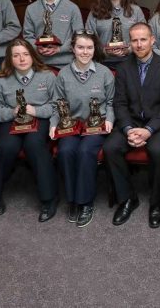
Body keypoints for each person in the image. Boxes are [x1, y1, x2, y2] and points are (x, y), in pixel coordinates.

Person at [102, 23, 160, 228]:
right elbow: (119, 103)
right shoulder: (123, 68)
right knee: (110, 148)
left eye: (143, 39)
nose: (139, 44)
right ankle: (127, 198)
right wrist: (127, 129)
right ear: (129, 43)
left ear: (152, 40)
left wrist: (148, 130)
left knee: (157, 149)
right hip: (132, 122)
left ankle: (155, 202)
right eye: (134, 40)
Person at [0, 39, 57, 221]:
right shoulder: (1, 80)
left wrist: (37, 111)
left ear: (32, 55)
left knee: (34, 145)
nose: (22, 59)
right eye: (16, 55)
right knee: (5, 147)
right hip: (11, 120)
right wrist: (11, 112)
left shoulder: (47, 76)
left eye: (25, 54)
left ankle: (49, 199)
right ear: (10, 59)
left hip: (38, 120)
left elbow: (57, 105)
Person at [50, 32, 114, 228]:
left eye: (89, 48)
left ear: (95, 50)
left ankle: (85, 202)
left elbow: (111, 102)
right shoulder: (63, 74)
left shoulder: (104, 73)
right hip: (71, 124)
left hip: (97, 124)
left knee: (86, 152)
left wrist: (109, 119)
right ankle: (72, 200)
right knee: (66, 151)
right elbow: (56, 104)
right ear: (73, 49)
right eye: (80, 47)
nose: (85, 52)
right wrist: (53, 124)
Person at [23, 0, 84, 69]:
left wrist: (59, 49)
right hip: (40, 64)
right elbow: (27, 36)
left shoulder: (72, 8)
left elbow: (78, 37)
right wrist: (38, 48)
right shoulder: (31, 9)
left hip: (67, 64)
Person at [86, 0, 147, 70]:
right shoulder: (94, 13)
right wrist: (106, 51)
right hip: (103, 65)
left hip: (132, 64)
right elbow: (88, 42)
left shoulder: (135, 11)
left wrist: (129, 50)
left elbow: (145, 38)